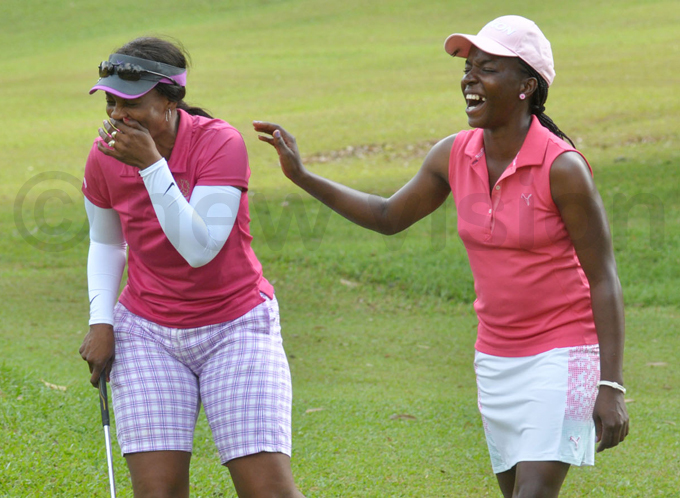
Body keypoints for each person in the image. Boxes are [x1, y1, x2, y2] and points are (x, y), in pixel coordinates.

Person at [254, 15, 628, 498]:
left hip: (561, 353)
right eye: (469, 68)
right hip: (494, 358)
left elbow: (603, 277)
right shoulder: (453, 154)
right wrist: (304, 177)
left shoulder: (563, 168)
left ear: (526, 86)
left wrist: (611, 385)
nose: (469, 79)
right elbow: (388, 215)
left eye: (487, 68)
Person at [79, 37, 305, 498]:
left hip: (236, 325)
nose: (119, 115)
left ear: (169, 100)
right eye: (110, 101)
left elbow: (199, 248)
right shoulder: (104, 154)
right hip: (147, 331)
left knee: (267, 489)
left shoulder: (219, 143)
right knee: (157, 492)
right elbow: (106, 242)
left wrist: (150, 166)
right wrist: (101, 322)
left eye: (133, 102)